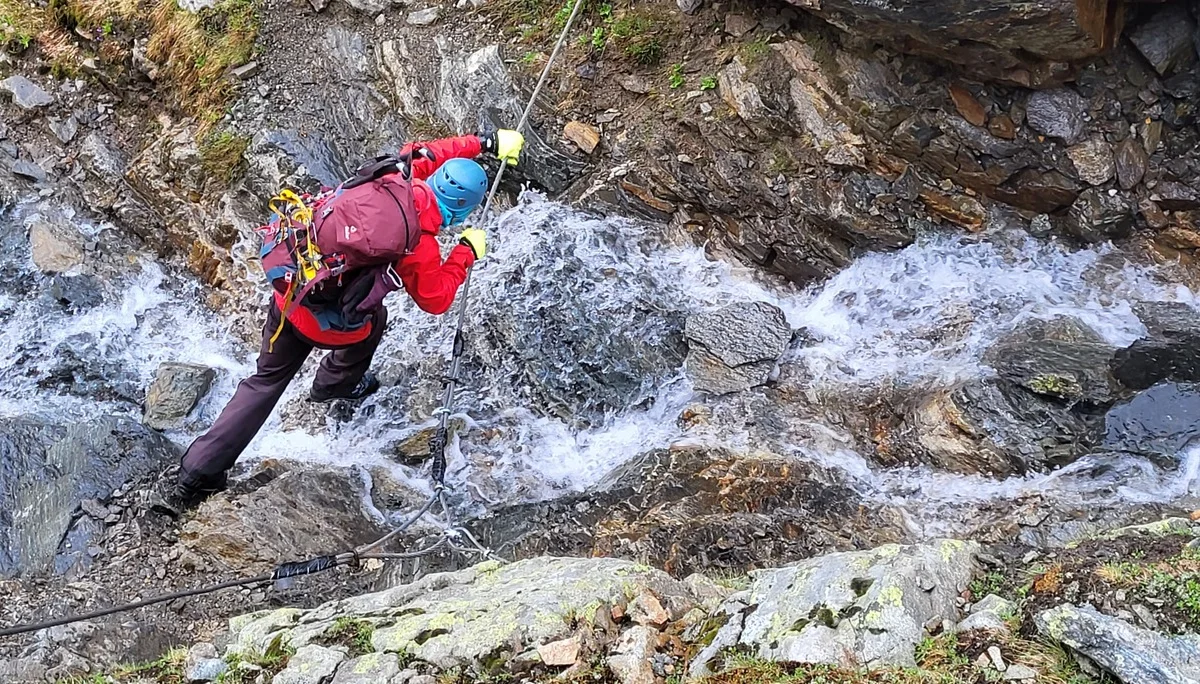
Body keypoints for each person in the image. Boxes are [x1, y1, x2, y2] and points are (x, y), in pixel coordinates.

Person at [151, 129, 525, 516]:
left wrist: (487, 142)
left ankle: (195, 475)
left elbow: (428, 150)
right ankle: (334, 385)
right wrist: (465, 252)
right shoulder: (420, 246)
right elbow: (436, 299)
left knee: (264, 383)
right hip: (330, 326)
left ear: (434, 178)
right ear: (462, 211)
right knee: (374, 317)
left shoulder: (395, 174)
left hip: (291, 292)